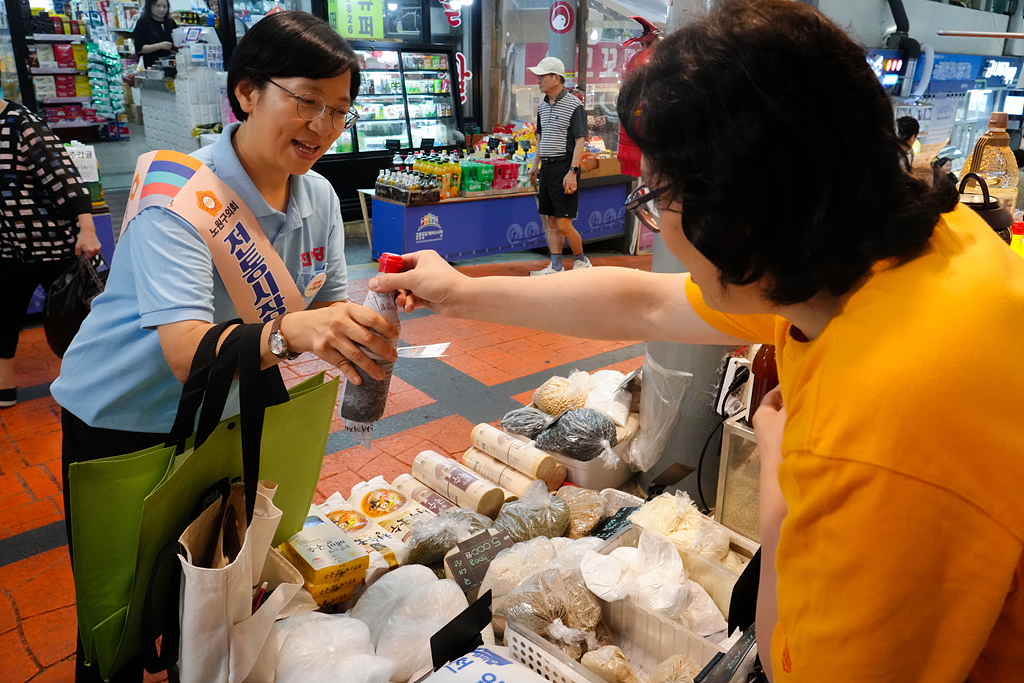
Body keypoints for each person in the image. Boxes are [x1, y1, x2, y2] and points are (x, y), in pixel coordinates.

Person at [370, 1, 1024, 680]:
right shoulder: (898, 249)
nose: (651, 232)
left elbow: (787, 658)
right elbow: (646, 303)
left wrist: (776, 466)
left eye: (654, 198)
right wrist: (459, 290)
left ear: (738, 213)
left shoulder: (879, 425)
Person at [51, 12, 397, 682]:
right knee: (117, 618)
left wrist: (367, 324)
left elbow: (327, 315)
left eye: (339, 110)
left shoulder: (320, 196)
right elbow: (186, 351)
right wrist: (292, 331)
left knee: (214, 594)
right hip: (125, 420)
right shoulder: (177, 192)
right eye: (305, 101)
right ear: (246, 92)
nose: (322, 127)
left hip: (232, 419)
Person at [0, 88, 101, 408]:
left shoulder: (22, 124)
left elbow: (66, 178)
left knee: (75, 319)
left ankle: (96, 382)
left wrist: (87, 230)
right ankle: (4, 386)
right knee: (3, 314)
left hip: (55, 244)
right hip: (9, 246)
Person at [526, 56, 592, 276]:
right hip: (547, 169)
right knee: (552, 222)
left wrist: (572, 172)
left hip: (565, 168)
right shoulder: (542, 105)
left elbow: (580, 140)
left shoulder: (575, 105)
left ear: (556, 78)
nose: (538, 80)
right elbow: (541, 138)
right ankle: (555, 266)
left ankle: (582, 261)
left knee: (564, 224)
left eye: (542, 76)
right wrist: (535, 165)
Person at [133, 0, 178, 68]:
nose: (162, 9)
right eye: (158, 6)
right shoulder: (143, 23)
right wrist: (160, 46)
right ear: (150, 6)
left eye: (165, 6)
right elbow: (139, 49)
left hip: (171, 64)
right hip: (152, 66)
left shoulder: (170, 22)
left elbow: (177, 41)